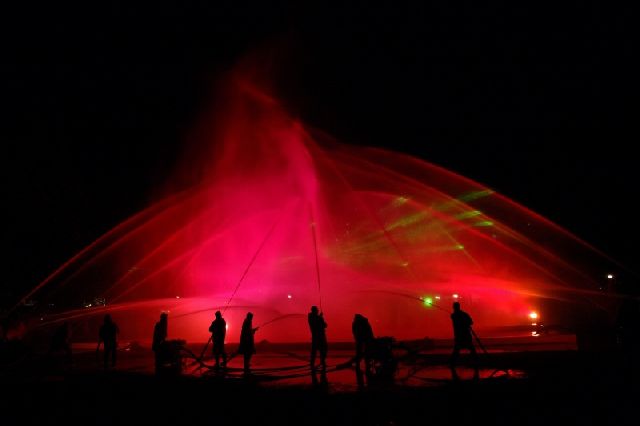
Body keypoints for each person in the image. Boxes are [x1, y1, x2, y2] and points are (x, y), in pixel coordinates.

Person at [449, 302, 479, 380]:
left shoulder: (454, 315)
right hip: (465, 336)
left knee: (457, 351)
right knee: (471, 349)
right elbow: (471, 322)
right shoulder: (463, 314)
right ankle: (476, 362)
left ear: (454, 307)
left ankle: (452, 364)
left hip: (460, 336)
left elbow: (469, 322)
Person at [308, 305, 327, 370]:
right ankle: (321, 362)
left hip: (316, 336)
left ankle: (314, 363)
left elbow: (323, 325)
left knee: (315, 350)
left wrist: (320, 317)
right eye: (317, 310)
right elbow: (324, 325)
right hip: (319, 337)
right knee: (322, 349)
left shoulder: (312, 317)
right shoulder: (315, 317)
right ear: (314, 311)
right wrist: (321, 317)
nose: (318, 311)